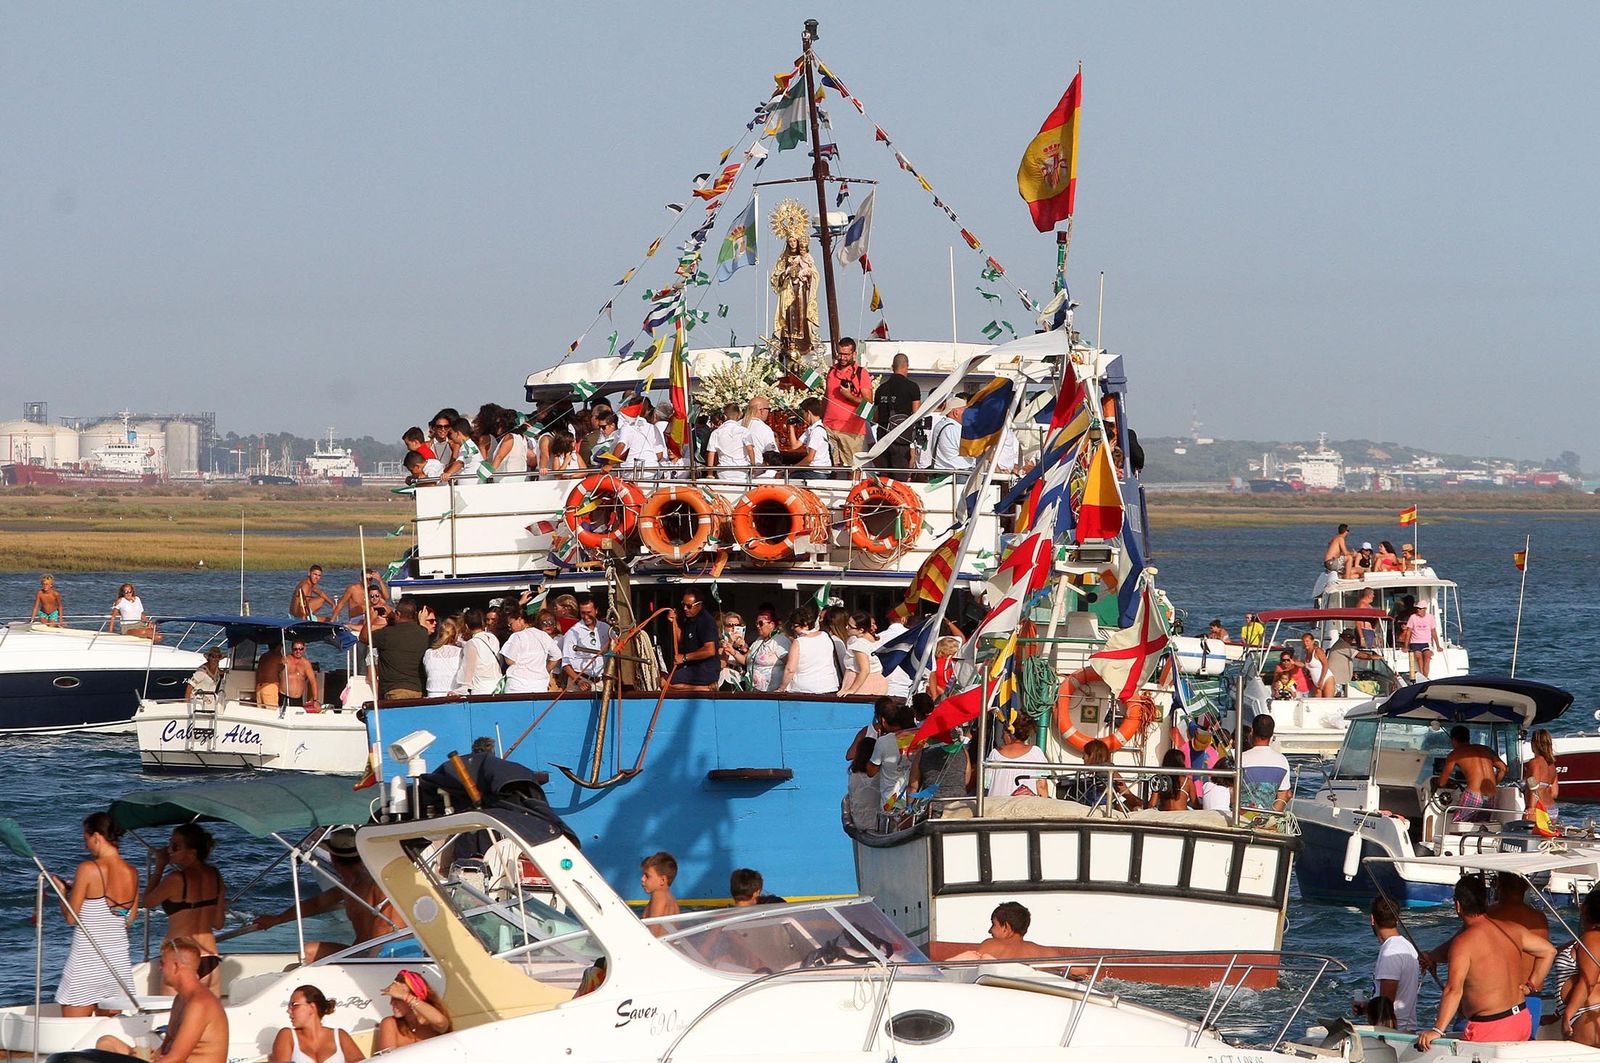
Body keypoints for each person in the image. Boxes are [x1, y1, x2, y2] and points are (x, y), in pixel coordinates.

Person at [1416, 876, 1554, 1048]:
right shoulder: (1513, 929)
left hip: (1491, 1027)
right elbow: (1549, 951)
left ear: (1458, 905)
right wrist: (1532, 984)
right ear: (1485, 900)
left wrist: (1437, 1030)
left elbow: (1453, 990)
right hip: (1520, 1018)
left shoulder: (1463, 942)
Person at [248, 829, 404, 962]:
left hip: (380, 956)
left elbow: (385, 926)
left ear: (333, 858)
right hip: (359, 951)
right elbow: (317, 904)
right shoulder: (348, 885)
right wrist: (279, 919)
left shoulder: (375, 883)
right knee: (308, 952)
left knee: (309, 953)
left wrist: (370, 961)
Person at [53, 811, 138, 1017]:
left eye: (86, 839)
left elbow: (71, 917)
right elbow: (128, 919)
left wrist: (63, 892)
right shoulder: (131, 871)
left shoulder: (88, 869)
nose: (86, 846)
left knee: (73, 1036)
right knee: (108, 1032)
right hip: (117, 963)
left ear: (97, 837)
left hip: (87, 963)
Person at [94, 937, 227, 1063]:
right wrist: (150, 1056)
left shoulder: (199, 1004)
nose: (160, 968)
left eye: (162, 963)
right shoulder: (181, 999)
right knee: (107, 1043)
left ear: (176, 966)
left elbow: (176, 1059)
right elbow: (167, 1047)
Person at [142, 824, 226, 994]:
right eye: (169, 844)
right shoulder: (215, 875)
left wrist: (159, 867)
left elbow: (147, 902)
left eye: (175, 846)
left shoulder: (176, 878)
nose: (169, 850)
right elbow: (218, 923)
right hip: (210, 957)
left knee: (171, 1017)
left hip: (180, 958)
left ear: (192, 852)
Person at [1353, 896, 1419, 1031]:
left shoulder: (1391, 952)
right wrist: (1367, 1007)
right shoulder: (1407, 946)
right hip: (1404, 1028)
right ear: (1397, 920)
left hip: (1393, 1031)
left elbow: (1386, 1004)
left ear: (1372, 919)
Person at [269, 984, 363, 1063]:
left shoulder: (340, 1036)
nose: (288, 1011)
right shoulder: (287, 1035)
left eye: (294, 1005)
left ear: (312, 1007)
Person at [1435, 724, 1507, 822]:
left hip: (1473, 795)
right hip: (1491, 796)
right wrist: (1494, 784)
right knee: (1480, 829)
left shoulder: (1455, 754)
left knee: (1457, 826)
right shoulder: (1486, 749)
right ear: (1468, 738)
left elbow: (1442, 783)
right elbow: (1503, 769)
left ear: (1453, 740)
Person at [822, 337, 873, 466]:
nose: (842, 357)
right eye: (840, 354)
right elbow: (825, 397)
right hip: (829, 427)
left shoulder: (861, 373)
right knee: (832, 467)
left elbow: (868, 403)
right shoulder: (831, 371)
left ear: (854, 354)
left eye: (846, 354)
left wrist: (849, 396)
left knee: (853, 468)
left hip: (851, 430)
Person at [367, 598, 429, 700]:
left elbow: (364, 637)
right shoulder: (423, 633)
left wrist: (370, 619)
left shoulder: (386, 634)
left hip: (394, 690)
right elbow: (415, 628)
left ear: (398, 614)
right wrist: (394, 615)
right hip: (418, 690)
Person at [373, 970, 449, 1053]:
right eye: (392, 998)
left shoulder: (432, 1023)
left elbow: (440, 1021)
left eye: (398, 999)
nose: (391, 1003)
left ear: (416, 998)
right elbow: (387, 1059)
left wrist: (405, 996)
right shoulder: (390, 1023)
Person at [870, 352, 921, 471]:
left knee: (884, 476)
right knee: (899, 476)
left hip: (882, 437)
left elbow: (875, 417)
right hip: (901, 439)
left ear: (893, 367)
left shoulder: (881, 388)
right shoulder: (912, 387)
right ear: (906, 366)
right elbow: (916, 413)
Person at [775, 604, 841, 695]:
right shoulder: (825, 636)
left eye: (795, 626)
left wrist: (781, 688)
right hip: (829, 687)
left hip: (805, 690)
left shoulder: (798, 642)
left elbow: (790, 669)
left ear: (805, 624)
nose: (792, 628)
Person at [865, 699, 917, 813]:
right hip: (915, 801)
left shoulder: (883, 741)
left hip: (890, 803)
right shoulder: (921, 737)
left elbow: (871, 771)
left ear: (883, 721)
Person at [1563, 887, 1600, 1043]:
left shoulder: (1591, 939)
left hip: (1585, 1011)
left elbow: (1588, 981)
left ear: (1586, 910)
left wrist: (1567, 1015)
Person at [501, 608, 562, 695]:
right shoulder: (544, 635)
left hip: (517, 686)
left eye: (511, 624)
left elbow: (509, 660)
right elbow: (557, 655)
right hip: (539, 685)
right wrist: (545, 669)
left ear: (520, 619)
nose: (510, 628)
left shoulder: (517, 636)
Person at [986, 716, 1049, 798]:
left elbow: (986, 784)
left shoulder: (995, 753)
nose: (1002, 737)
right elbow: (1042, 785)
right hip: (1023, 806)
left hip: (996, 805)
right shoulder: (1036, 753)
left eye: (1003, 733)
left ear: (1010, 734)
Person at [669, 592, 720, 691]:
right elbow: (681, 642)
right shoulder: (689, 620)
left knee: (669, 681)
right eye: (683, 605)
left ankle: (705, 688)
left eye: (689, 606)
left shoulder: (706, 621)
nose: (685, 608)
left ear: (699, 605)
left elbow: (710, 650)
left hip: (706, 669)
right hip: (692, 666)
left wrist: (684, 658)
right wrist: (674, 621)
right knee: (665, 679)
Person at [1240, 716, 1292, 813]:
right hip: (1265, 821)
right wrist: (1268, 818)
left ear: (1252, 731)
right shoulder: (1281, 761)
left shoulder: (1239, 759)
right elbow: (1283, 796)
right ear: (1272, 734)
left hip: (1238, 818)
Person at [560, 597, 613, 692]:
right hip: (579, 682)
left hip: (601, 681)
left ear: (596, 611)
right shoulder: (572, 632)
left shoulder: (606, 628)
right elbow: (565, 663)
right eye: (582, 613)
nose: (585, 616)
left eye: (589, 612)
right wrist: (579, 681)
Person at [449, 608, 503, 696]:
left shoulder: (472, 643)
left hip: (481, 689)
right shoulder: (493, 638)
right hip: (498, 687)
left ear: (466, 626)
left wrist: (461, 689)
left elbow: (469, 669)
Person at [837, 611, 886, 696]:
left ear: (861, 630)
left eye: (850, 626)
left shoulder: (859, 644)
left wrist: (851, 690)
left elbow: (865, 670)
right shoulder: (873, 640)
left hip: (863, 685)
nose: (846, 627)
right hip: (877, 681)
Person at [706, 402, 755, 482]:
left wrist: (710, 473)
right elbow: (750, 449)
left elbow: (711, 453)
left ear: (724, 416)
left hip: (724, 471)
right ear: (739, 416)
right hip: (742, 470)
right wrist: (753, 466)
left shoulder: (716, 432)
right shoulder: (744, 431)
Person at [742, 612, 789, 692]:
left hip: (771, 692)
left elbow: (789, 664)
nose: (757, 626)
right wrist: (732, 651)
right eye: (756, 623)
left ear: (771, 624)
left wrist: (782, 688)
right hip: (753, 691)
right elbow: (745, 660)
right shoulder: (759, 640)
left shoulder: (780, 641)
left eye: (760, 623)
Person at [923, 396, 972, 471]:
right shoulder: (954, 429)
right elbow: (971, 450)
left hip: (942, 469)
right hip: (959, 472)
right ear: (956, 413)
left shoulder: (940, 424)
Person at [789, 396, 831, 480]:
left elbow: (810, 458)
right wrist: (791, 427)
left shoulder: (817, 431)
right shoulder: (811, 429)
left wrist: (793, 468)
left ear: (808, 413)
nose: (803, 416)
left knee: (787, 477)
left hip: (818, 472)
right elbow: (795, 445)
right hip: (813, 470)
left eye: (803, 413)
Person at [422, 616, 464, 698]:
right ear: (455, 635)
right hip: (454, 695)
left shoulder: (429, 653)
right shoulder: (461, 652)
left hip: (433, 696)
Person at [640, 851, 680, 937]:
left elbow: (652, 932)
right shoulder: (673, 902)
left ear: (662, 880)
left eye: (647, 876)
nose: (642, 879)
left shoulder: (658, 895)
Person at [1404, 599, 1443, 679]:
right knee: (1419, 657)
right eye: (1418, 608)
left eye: (1420, 608)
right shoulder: (1413, 617)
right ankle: (1422, 676)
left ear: (1425, 609)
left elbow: (1433, 631)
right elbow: (1408, 632)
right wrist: (1406, 646)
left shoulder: (1430, 618)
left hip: (1425, 643)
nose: (1418, 610)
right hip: (1415, 642)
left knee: (1427, 656)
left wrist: (1438, 645)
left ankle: (1425, 677)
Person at [1526, 729, 1560, 816]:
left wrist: (1531, 807)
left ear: (1534, 743)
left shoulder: (1535, 762)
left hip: (1538, 808)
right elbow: (1554, 793)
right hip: (1552, 809)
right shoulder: (1552, 766)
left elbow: (1533, 787)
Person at [276, 640, 320, 708]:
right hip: (284, 697)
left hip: (297, 699)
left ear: (304, 649)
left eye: (301, 649)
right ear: (292, 649)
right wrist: (281, 664)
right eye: (295, 649)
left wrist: (315, 700)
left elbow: (313, 682)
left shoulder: (306, 664)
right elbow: (277, 670)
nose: (298, 651)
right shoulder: (286, 660)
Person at [742, 396, 780, 470]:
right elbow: (772, 456)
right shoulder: (764, 429)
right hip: (756, 471)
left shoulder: (737, 424)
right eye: (768, 409)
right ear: (762, 411)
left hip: (734, 470)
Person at [1299, 632, 1336, 698]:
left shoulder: (1318, 651)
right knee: (1317, 704)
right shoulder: (1305, 653)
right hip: (1316, 682)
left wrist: (1321, 680)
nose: (1305, 643)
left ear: (1312, 641)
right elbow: (1304, 664)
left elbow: (1326, 665)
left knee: (1328, 702)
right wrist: (1293, 662)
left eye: (1307, 641)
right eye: (1303, 641)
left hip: (1326, 679)